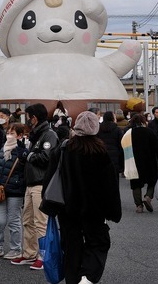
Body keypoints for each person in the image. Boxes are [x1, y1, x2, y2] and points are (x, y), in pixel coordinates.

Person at [44, 111, 122, 284]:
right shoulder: (100, 152)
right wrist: (113, 211)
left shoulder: (63, 149)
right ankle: (87, 276)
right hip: (94, 210)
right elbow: (109, 186)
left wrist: (50, 206)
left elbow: (50, 179)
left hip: (67, 208)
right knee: (99, 242)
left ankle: (73, 279)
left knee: (71, 247)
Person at [11, 103, 58, 271]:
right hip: (30, 184)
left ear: (34, 118)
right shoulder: (36, 135)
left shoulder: (49, 135)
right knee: (27, 221)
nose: (27, 121)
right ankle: (29, 253)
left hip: (41, 184)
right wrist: (25, 154)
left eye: (28, 117)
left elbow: (46, 158)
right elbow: (34, 157)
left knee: (40, 222)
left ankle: (43, 256)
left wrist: (28, 155)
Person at [0, 123, 28, 260]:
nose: (9, 135)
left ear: (19, 135)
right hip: (0, 189)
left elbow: (24, 170)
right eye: (8, 132)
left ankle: (15, 248)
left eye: (12, 133)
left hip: (16, 190)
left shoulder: (22, 151)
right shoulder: (2, 148)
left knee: (14, 220)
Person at [125, 113, 158, 213]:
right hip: (149, 160)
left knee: (136, 184)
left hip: (134, 161)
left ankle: (139, 205)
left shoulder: (128, 133)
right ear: (143, 121)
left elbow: (124, 148)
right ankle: (148, 196)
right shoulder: (149, 132)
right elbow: (157, 148)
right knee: (152, 180)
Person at [96, 111, 124, 176]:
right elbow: (121, 144)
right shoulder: (117, 130)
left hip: (102, 155)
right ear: (112, 118)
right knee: (115, 179)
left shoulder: (98, 129)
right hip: (115, 157)